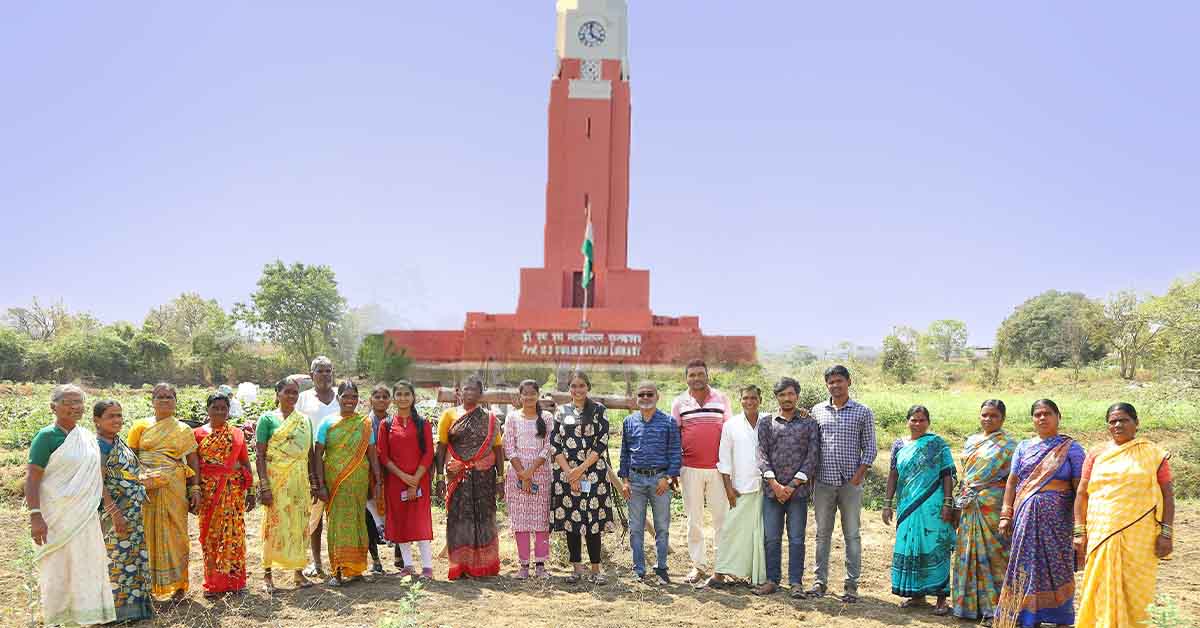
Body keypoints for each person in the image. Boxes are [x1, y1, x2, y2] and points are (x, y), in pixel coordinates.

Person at [1074, 402, 1175, 627]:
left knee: (1137, 589)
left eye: (1124, 420)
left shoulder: (1153, 454)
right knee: (1099, 587)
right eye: (1112, 421)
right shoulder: (1096, 453)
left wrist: (1166, 534)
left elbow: (1168, 495)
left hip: (1140, 536)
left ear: (1136, 423)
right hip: (1101, 532)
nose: (1117, 425)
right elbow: (1082, 492)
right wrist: (1079, 531)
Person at [26, 385, 117, 626]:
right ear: (53, 406)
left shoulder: (86, 437)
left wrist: (110, 509)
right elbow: (32, 479)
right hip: (55, 515)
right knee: (59, 565)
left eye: (79, 402)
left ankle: (87, 615)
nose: (75, 406)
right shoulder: (46, 437)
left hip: (84, 515)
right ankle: (60, 617)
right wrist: (35, 515)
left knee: (86, 561)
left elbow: (96, 477)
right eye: (68, 402)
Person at [994, 399, 1085, 628]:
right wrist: (1006, 513)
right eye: (1037, 414)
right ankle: (1025, 617)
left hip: (1057, 522)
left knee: (1058, 567)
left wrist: (1078, 526)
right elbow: (1012, 482)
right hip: (1024, 517)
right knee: (1024, 565)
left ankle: (1062, 618)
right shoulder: (1023, 447)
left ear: (1058, 416)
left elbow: (1080, 489)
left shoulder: (1071, 448)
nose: (1042, 418)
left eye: (1047, 413)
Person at [808, 365, 877, 602]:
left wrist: (857, 476)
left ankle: (851, 585)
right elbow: (812, 446)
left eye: (839, 381)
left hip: (850, 484)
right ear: (826, 384)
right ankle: (819, 582)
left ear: (849, 382)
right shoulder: (817, 411)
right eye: (831, 382)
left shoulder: (863, 411)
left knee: (852, 535)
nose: (835, 385)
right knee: (822, 535)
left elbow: (870, 448)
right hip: (824, 483)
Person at [128, 382, 201, 601]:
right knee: (146, 533)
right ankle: (148, 586)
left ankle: (179, 585)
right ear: (152, 401)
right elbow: (131, 457)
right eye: (160, 397)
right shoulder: (140, 426)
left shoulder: (183, 429)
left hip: (174, 487)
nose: (165, 400)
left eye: (169, 397)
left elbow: (193, 459)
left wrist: (195, 488)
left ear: (176, 401)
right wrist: (141, 478)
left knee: (177, 533)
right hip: (147, 487)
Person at [882, 405, 956, 615]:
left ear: (928, 422)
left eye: (922, 420)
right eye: (913, 420)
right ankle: (916, 595)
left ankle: (941, 598)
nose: (917, 424)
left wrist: (948, 503)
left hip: (933, 505)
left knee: (935, 547)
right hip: (907, 505)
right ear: (907, 421)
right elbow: (893, 475)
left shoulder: (937, 444)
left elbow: (947, 474)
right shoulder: (899, 445)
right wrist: (887, 504)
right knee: (909, 546)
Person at [951, 400, 1017, 624]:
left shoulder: (1009, 445)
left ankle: (996, 609)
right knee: (967, 551)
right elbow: (965, 475)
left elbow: (1013, 480)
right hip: (969, 504)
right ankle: (968, 606)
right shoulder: (971, 441)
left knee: (995, 555)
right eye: (985, 415)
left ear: (1003, 419)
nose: (988, 419)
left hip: (993, 505)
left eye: (994, 416)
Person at [754, 377, 822, 597]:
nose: (787, 398)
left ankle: (796, 583)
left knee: (796, 538)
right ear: (776, 398)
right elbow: (761, 454)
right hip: (772, 492)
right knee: (771, 537)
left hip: (798, 492)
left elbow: (812, 457)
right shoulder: (766, 422)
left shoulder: (808, 423)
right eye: (782, 395)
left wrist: (791, 486)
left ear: (797, 396)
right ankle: (772, 580)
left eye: (790, 394)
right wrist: (775, 484)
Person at [670, 359, 733, 584]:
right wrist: (673, 470)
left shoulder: (722, 399)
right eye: (692, 375)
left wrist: (730, 467)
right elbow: (674, 436)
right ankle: (698, 566)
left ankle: (722, 566)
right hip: (689, 469)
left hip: (718, 469)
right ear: (686, 378)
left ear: (708, 375)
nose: (696, 378)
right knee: (694, 520)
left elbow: (729, 432)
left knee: (721, 520)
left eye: (700, 374)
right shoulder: (679, 403)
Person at [435, 375, 504, 580]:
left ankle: (484, 566)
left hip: (484, 478)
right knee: (458, 519)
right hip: (458, 476)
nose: (470, 393)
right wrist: (439, 477)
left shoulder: (490, 419)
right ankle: (460, 566)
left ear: (481, 394)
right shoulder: (449, 415)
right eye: (466, 389)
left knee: (484, 519)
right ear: (459, 392)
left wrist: (500, 479)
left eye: (474, 390)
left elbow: (498, 449)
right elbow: (441, 447)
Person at [551, 370, 617, 585]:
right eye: (574, 386)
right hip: (567, 476)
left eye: (581, 385)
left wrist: (580, 470)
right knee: (571, 521)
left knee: (592, 522)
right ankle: (577, 568)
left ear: (588, 387)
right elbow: (555, 444)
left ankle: (596, 570)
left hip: (593, 475)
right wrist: (570, 473)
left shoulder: (599, 410)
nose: (577, 390)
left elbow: (601, 443)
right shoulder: (561, 412)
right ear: (569, 388)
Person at [314, 381, 381, 586]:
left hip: (358, 481)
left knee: (357, 521)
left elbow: (372, 455)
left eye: (354, 396)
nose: (350, 400)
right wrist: (320, 485)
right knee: (336, 524)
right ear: (338, 398)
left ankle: (357, 568)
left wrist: (378, 481)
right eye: (346, 396)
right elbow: (318, 456)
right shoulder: (327, 423)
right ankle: (338, 571)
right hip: (334, 481)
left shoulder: (364, 424)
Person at [703, 385, 769, 590]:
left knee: (759, 533)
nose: (750, 401)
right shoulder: (731, 425)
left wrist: (802, 412)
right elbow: (724, 460)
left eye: (754, 397)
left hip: (766, 487)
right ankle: (720, 572)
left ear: (760, 399)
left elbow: (792, 418)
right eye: (746, 398)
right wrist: (728, 488)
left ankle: (756, 575)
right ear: (740, 400)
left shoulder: (769, 420)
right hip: (740, 488)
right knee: (731, 530)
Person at [94, 399, 153, 622]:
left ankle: (136, 609)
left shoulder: (118, 442)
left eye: (119, 415)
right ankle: (117, 612)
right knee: (117, 558)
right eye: (111, 416)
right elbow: (99, 482)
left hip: (132, 510)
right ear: (97, 420)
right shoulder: (99, 446)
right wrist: (114, 513)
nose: (117, 420)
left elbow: (128, 474)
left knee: (133, 555)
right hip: (114, 512)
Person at [256, 377, 317, 593]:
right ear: (277, 393)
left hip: (300, 481)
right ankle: (267, 575)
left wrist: (314, 482)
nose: (291, 396)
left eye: (295, 392)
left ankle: (298, 574)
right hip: (276, 480)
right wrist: (264, 485)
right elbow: (260, 454)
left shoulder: (304, 420)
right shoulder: (267, 419)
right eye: (287, 392)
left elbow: (309, 454)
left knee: (299, 525)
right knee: (273, 525)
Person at [618, 381, 682, 585]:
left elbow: (675, 452)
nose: (645, 398)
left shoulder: (669, 422)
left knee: (662, 527)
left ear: (657, 396)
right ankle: (639, 569)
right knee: (636, 527)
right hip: (635, 481)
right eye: (642, 395)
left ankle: (662, 568)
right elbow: (624, 454)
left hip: (659, 481)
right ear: (637, 398)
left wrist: (668, 478)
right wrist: (625, 481)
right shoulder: (629, 422)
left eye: (649, 394)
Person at [193, 392, 255, 597]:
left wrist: (250, 490)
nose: (219, 411)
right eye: (215, 407)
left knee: (234, 536)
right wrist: (194, 492)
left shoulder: (236, 434)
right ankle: (214, 583)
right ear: (207, 410)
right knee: (211, 537)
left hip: (233, 493)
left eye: (223, 408)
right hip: (209, 494)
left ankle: (236, 583)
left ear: (229, 411)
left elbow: (245, 463)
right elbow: (193, 467)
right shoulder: (197, 434)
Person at [378, 380, 436, 579]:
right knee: (400, 520)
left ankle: (427, 567)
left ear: (413, 398)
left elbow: (429, 453)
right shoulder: (386, 425)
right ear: (394, 398)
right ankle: (408, 565)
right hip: (396, 481)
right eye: (399, 394)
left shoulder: (423, 423)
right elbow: (383, 455)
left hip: (420, 480)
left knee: (420, 522)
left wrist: (415, 478)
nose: (403, 398)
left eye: (406, 394)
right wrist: (403, 477)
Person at [504, 379, 556, 580]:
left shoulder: (548, 418)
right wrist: (521, 473)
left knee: (541, 521)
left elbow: (547, 446)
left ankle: (541, 565)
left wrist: (530, 472)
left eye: (532, 393)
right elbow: (509, 447)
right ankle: (524, 565)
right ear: (520, 396)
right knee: (521, 521)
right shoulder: (512, 418)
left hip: (540, 474)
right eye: (524, 394)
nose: (528, 397)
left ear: (538, 395)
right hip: (516, 475)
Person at [297, 355, 339, 579]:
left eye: (328, 370)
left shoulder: (341, 398)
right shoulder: (302, 399)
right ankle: (316, 561)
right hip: (309, 462)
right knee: (314, 514)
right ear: (311, 374)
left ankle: (339, 561)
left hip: (338, 462)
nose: (325, 375)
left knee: (338, 514)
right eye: (320, 371)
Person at [364, 383, 394, 574]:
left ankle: (400, 557)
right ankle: (376, 560)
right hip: (368, 476)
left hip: (392, 474)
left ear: (390, 401)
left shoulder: (396, 422)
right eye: (377, 396)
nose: (381, 400)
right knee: (369, 518)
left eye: (385, 397)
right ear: (370, 400)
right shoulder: (364, 423)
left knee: (396, 514)